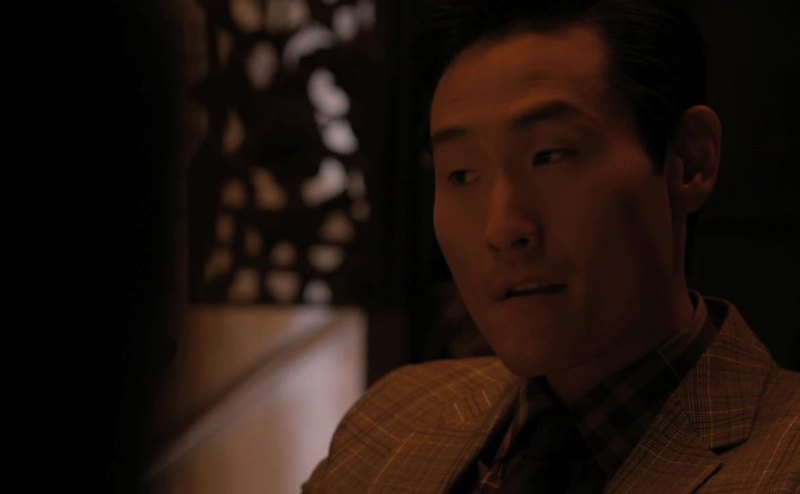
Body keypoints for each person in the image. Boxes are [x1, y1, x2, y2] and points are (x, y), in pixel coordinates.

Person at [303, 0, 800, 492]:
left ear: (690, 160)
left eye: (551, 156)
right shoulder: (390, 422)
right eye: (462, 174)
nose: (502, 228)